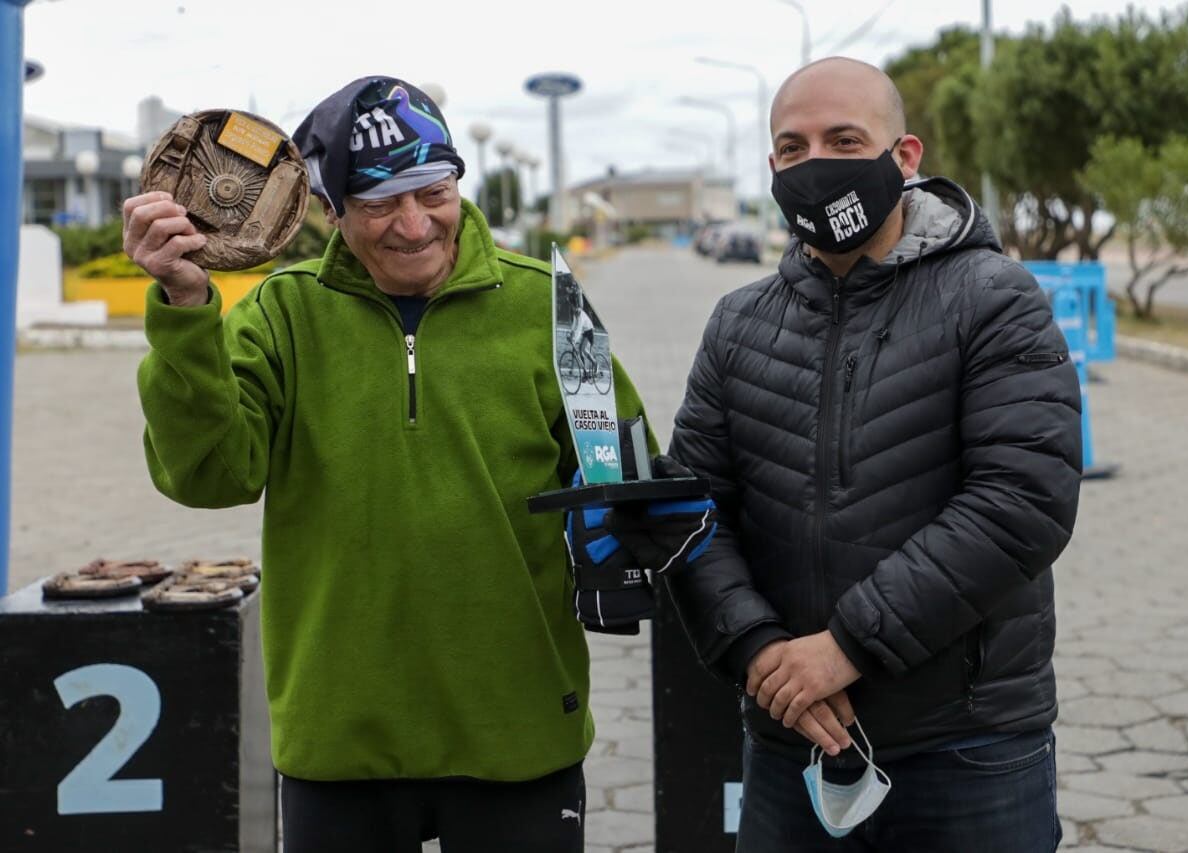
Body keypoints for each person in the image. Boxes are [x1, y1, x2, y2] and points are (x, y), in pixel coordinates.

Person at [125, 76, 655, 853]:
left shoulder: (554, 308)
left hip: (519, 730)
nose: (414, 224)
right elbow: (210, 476)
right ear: (332, 211)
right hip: (339, 742)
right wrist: (183, 308)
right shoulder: (283, 313)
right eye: (377, 203)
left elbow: (630, 475)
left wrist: (644, 528)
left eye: (431, 190)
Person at [664, 57, 1083, 851]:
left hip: (967, 746)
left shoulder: (994, 298)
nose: (815, 164)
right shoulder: (737, 323)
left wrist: (848, 647)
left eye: (843, 138)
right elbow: (692, 506)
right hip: (796, 739)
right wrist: (761, 653)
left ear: (906, 156)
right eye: (792, 148)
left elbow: (1023, 500)